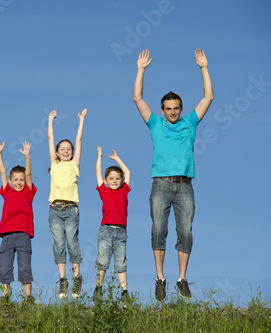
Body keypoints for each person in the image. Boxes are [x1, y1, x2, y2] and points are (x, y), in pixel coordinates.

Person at [133, 49, 214, 301]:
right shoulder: (155, 124)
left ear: (181, 108)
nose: (172, 112)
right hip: (161, 185)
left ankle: (181, 279)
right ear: (162, 109)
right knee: (158, 229)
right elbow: (137, 98)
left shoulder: (189, 123)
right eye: (168, 108)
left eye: (176, 108)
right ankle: (160, 278)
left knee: (186, 232)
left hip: (185, 186)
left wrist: (203, 68)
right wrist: (141, 70)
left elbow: (208, 97)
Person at [47, 108, 87, 299]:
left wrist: (81, 120)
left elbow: (78, 141)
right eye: (62, 149)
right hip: (54, 209)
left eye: (68, 149)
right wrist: (50, 120)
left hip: (71, 208)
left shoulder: (74, 164)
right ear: (56, 153)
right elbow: (49, 139)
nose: (65, 151)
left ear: (72, 153)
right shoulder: (54, 164)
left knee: (72, 241)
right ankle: (63, 281)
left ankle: (77, 278)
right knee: (58, 244)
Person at [0, 138, 37, 304]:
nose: (19, 182)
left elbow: (29, 174)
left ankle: (28, 297)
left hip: (24, 235)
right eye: (15, 180)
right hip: (7, 236)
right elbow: (2, 172)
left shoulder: (28, 192)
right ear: (10, 182)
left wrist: (27, 157)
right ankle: (5, 297)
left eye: (21, 180)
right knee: (5, 267)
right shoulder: (7, 191)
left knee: (24, 266)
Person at [93, 148, 131, 305]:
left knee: (121, 263)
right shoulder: (104, 191)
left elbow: (127, 172)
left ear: (121, 181)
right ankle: (98, 289)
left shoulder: (124, 191)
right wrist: (99, 157)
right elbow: (97, 172)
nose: (115, 181)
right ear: (106, 180)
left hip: (121, 232)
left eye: (117, 178)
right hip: (106, 230)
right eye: (111, 178)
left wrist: (117, 159)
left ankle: (124, 293)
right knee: (103, 262)